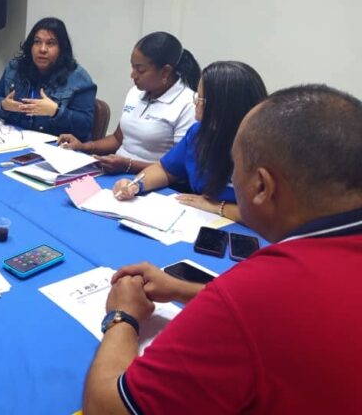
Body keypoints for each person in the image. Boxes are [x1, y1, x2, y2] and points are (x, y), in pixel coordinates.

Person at [82, 84, 362, 414]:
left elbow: (104, 408)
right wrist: (184, 290)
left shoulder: (259, 292)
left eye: (235, 166)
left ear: (261, 186)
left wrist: (122, 315)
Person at [112, 61, 267, 222]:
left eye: (200, 98)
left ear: (222, 108)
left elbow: (270, 217)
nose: (195, 102)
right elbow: (164, 169)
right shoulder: (199, 133)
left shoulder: (264, 150)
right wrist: (136, 185)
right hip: (201, 220)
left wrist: (218, 207)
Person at [58, 32, 200, 173]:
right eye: (133, 67)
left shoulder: (189, 104)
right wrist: (84, 147)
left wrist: (129, 166)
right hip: (118, 171)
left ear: (165, 72)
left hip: (154, 182)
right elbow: (117, 138)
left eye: (140, 70)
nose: (133, 75)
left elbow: (179, 168)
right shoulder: (136, 93)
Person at [0, 17, 96, 141]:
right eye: (37, 42)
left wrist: (56, 112)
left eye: (50, 43)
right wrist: (3, 105)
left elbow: (85, 126)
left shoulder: (79, 79)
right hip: (14, 140)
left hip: (55, 148)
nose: (42, 49)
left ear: (62, 48)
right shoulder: (15, 68)